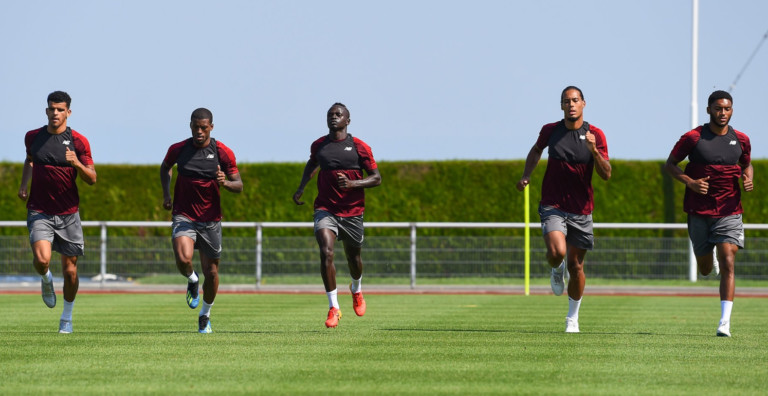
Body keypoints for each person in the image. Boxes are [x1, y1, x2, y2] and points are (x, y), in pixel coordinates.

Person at [516, 86, 611, 333]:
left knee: (576, 266)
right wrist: (527, 175)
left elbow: (606, 174)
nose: (571, 104)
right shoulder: (550, 131)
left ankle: (572, 318)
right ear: (561, 106)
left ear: (584, 104)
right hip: (552, 204)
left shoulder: (596, 135)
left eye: (575, 100)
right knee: (558, 252)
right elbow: (536, 150)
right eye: (566, 101)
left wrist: (593, 151)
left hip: (581, 209)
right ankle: (555, 268)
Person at [665, 90, 752, 337]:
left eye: (726, 109)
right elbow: (670, 165)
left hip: (729, 210)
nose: (722, 113)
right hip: (699, 210)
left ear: (731, 110)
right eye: (717, 108)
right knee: (704, 268)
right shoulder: (693, 138)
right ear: (709, 110)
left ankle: (724, 322)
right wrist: (690, 182)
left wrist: (748, 178)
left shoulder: (742, 139)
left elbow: (747, 165)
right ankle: (708, 259)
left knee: (728, 260)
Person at [293, 103, 381, 328]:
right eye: (330, 114)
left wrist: (353, 183)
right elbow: (312, 164)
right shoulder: (319, 145)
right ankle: (334, 307)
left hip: (352, 212)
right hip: (325, 209)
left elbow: (376, 178)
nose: (334, 117)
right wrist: (302, 187)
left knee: (354, 259)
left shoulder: (359, 147)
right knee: (326, 251)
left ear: (347, 121)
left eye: (338, 114)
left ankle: (356, 289)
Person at [18, 91, 97, 334]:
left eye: (60, 109)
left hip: (68, 214)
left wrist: (76, 164)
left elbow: (92, 178)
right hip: (40, 211)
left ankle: (67, 317)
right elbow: (30, 160)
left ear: (68, 113)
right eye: (52, 108)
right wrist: (24, 184)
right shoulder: (33, 137)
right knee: (42, 260)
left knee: (71, 271)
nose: (55, 113)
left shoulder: (79, 141)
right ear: (46, 111)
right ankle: (46, 279)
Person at [160, 108, 243, 333]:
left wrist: (225, 183)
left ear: (211, 127)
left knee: (213, 272)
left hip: (211, 220)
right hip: (184, 214)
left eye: (203, 128)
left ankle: (205, 315)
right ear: (190, 126)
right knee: (183, 256)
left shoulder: (222, 152)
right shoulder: (178, 149)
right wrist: (167, 194)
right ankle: (192, 278)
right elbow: (165, 167)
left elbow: (239, 185)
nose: (199, 131)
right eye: (195, 127)